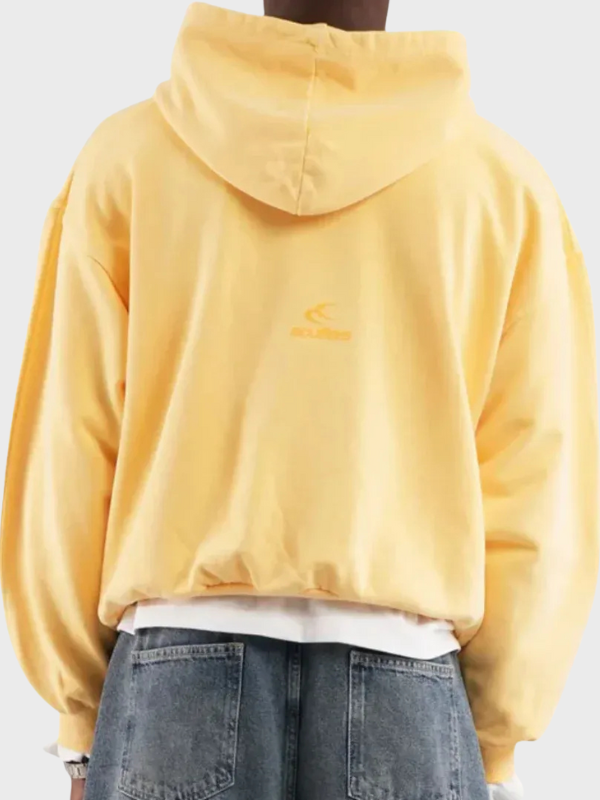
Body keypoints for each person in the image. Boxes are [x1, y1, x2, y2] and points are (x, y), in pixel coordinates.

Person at [1, 2, 597, 800]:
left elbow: (67, 455)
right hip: (410, 687)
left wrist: (79, 718)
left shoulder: (128, 161)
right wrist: (495, 736)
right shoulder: (501, 186)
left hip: (173, 676)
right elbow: (539, 481)